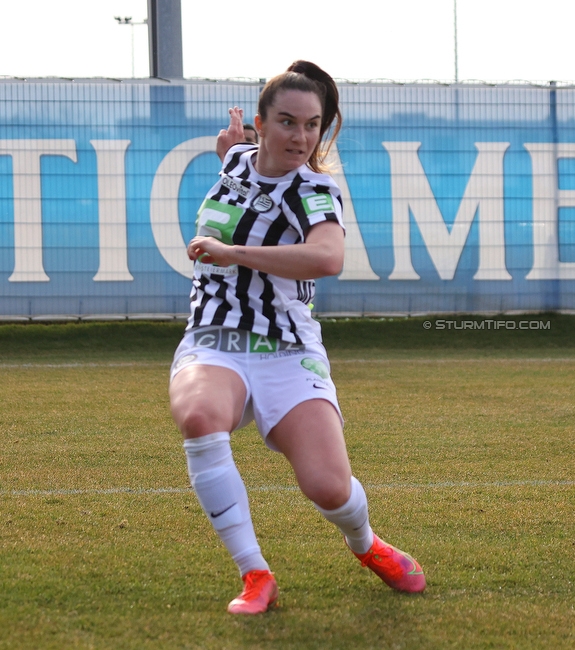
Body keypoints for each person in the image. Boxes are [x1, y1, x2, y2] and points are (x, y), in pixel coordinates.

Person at [170, 60, 425, 615]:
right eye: (287, 122)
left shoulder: (313, 189)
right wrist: (228, 146)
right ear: (261, 124)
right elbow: (242, 174)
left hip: (286, 347)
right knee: (199, 417)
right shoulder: (238, 157)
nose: (301, 136)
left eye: (311, 125)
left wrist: (234, 254)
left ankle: (369, 546)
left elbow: (329, 256)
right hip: (215, 337)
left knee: (329, 488)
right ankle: (255, 573)